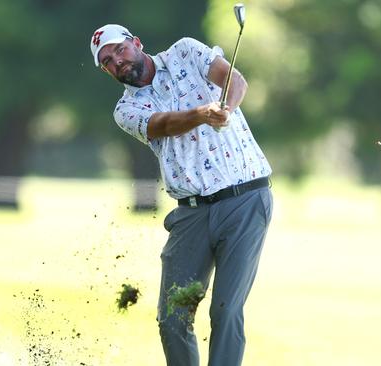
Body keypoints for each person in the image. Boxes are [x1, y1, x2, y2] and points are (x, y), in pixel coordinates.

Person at [89, 24, 273, 366]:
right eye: (108, 62)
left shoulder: (186, 51)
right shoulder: (125, 111)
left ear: (137, 43)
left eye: (120, 50)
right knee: (173, 318)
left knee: (226, 309)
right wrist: (203, 114)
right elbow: (167, 124)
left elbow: (236, 81)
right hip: (191, 214)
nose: (118, 62)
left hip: (245, 199)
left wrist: (227, 109)